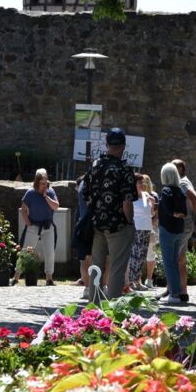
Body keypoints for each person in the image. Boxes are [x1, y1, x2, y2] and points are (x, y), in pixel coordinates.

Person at [83, 128, 138, 300]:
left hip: (97, 224)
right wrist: (130, 222)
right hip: (118, 225)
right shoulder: (124, 169)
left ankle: (94, 304)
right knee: (117, 267)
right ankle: (113, 306)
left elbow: (85, 194)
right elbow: (127, 201)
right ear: (123, 146)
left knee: (97, 266)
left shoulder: (95, 166)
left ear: (106, 145)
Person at [12, 169, 59, 286]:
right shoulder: (30, 193)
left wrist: (46, 197)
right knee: (25, 251)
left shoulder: (50, 192)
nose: (45, 186)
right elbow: (24, 209)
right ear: (37, 183)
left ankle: (49, 278)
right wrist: (28, 222)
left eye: (46, 183)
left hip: (48, 226)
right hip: (34, 226)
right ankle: (16, 277)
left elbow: (56, 207)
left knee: (50, 252)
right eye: (42, 183)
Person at [171, 159, 196, 302]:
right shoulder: (183, 182)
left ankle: (175, 291)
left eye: (174, 167)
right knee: (180, 259)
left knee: (174, 258)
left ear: (181, 169)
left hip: (183, 224)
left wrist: (194, 216)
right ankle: (182, 291)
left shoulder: (182, 183)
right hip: (185, 223)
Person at [157, 162, 187, 304]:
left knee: (169, 263)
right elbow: (185, 212)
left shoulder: (166, 191)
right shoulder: (180, 191)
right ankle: (177, 291)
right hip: (179, 230)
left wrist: (173, 213)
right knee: (174, 262)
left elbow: (167, 208)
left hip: (167, 229)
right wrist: (177, 214)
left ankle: (174, 294)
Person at [128, 173, 157, 290]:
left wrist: (153, 205)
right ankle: (130, 282)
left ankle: (137, 281)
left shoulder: (146, 195)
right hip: (136, 229)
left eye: (143, 182)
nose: (143, 184)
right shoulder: (131, 197)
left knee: (142, 256)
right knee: (134, 256)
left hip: (146, 228)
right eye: (140, 182)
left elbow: (151, 213)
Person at [73, 172, 93, 291]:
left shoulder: (83, 184)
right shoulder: (89, 183)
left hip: (84, 223)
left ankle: (87, 288)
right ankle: (92, 287)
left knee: (85, 259)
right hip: (90, 224)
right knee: (89, 258)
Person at [142, 174, 159, 288]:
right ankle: (145, 280)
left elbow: (157, 212)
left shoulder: (153, 196)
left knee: (150, 254)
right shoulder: (141, 195)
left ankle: (149, 279)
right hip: (145, 226)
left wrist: (154, 221)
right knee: (146, 254)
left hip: (151, 227)